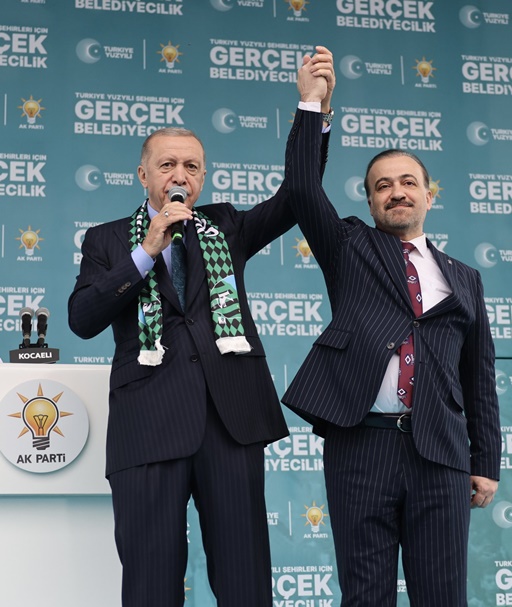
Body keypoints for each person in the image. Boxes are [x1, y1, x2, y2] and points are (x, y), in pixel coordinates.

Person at [68, 47, 335, 607]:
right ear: (143, 175)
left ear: (203, 176)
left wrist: (312, 108)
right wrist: (146, 251)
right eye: (167, 165)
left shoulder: (226, 225)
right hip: (148, 427)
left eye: (191, 167)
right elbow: (83, 318)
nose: (180, 175)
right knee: (150, 583)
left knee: (244, 584)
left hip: (229, 422)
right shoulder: (107, 239)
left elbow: (298, 197)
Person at [282, 54, 501, 606]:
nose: (396, 192)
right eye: (383, 185)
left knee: (442, 596)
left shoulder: (465, 279)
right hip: (361, 446)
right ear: (371, 200)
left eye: (408, 182)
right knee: (365, 596)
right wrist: (314, 106)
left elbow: (479, 377)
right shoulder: (349, 246)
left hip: (440, 454)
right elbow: (302, 187)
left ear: (430, 194)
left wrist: (484, 462)